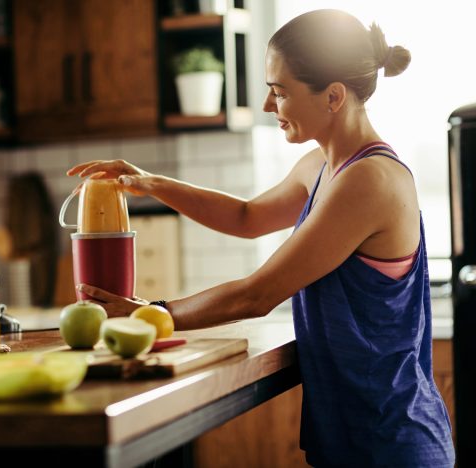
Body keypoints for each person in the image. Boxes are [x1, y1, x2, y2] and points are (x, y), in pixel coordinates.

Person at [66, 9, 455, 467]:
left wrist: (153, 314)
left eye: (279, 92)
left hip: (391, 443)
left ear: (333, 97)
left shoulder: (369, 180)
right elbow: (247, 216)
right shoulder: (323, 167)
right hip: (356, 435)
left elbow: (258, 294)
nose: (270, 106)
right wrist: (150, 183)